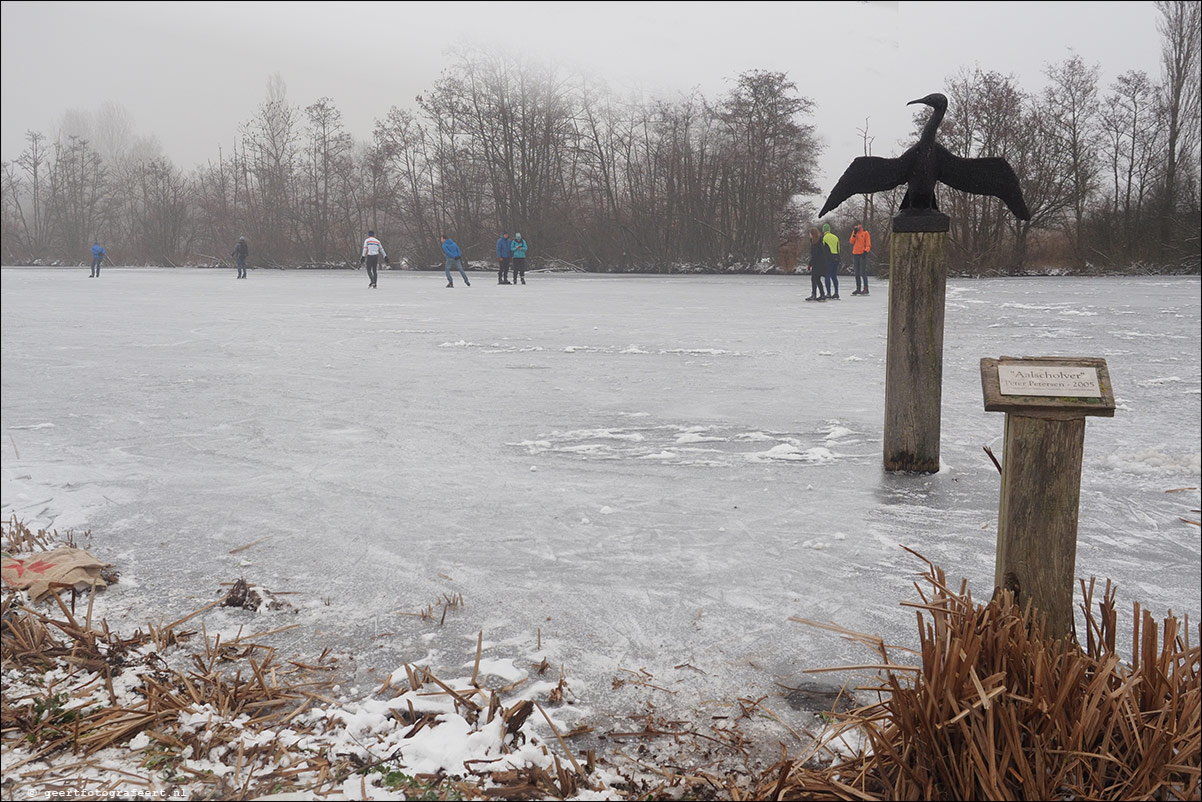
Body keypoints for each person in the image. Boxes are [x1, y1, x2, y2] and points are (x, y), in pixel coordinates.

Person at [804, 228, 827, 302]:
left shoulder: (815, 244)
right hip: (821, 263)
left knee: (815, 279)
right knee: (817, 279)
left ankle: (815, 294)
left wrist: (810, 264)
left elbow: (814, 255)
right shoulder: (820, 242)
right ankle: (821, 294)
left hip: (817, 264)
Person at [849, 223, 872, 295]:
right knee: (856, 272)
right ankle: (858, 288)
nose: (857, 227)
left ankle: (866, 288)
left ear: (861, 225)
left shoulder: (865, 233)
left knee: (863, 272)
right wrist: (854, 234)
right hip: (855, 254)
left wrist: (866, 251)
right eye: (856, 225)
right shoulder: (854, 232)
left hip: (862, 254)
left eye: (858, 225)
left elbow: (868, 243)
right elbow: (851, 241)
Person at [821, 223, 841, 300]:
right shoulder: (836, 237)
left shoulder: (824, 238)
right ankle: (836, 293)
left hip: (828, 258)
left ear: (824, 230)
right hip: (836, 258)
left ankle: (828, 293)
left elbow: (822, 249)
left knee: (827, 275)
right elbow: (838, 249)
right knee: (834, 276)